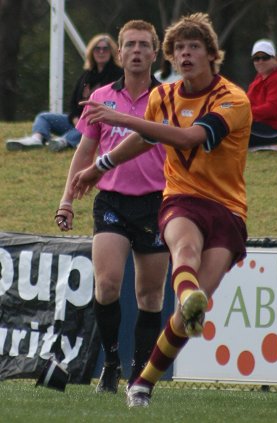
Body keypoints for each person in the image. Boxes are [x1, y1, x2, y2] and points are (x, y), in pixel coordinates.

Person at [70, 12, 252, 408]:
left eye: (194, 47)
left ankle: (144, 381)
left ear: (211, 55)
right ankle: (118, 365)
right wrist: (97, 168)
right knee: (174, 254)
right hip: (177, 200)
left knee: (180, 302)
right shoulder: (162, 97)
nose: (186, 54)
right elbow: (140, 140)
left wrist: (121, 118)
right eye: (180, 48)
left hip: (226, 210)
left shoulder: (233, 99)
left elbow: (189, 138)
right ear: (171, 56)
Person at [54, 20, 169, 394]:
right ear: (119, 54)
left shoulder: (168, 98)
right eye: (129, 45)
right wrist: (67, 198)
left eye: (143, 45)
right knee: (106, 285)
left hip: (155, 203)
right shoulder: (101, 97)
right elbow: (84, 153)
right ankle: (112, 363)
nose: (136, 51)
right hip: (111, 202)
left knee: (150, 296)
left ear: (154, 53)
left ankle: (140, 371)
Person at [6, 34, 123, 152]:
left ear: (112, 52)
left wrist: (85, 121)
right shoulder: (87, 75)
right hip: (77, 121)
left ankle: (63, 142)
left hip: (98, 123)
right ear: (91, 52)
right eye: (97, 48)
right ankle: (37, 139)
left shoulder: (118, 75)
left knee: (87, 127)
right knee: (44, 117)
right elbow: (73, 103)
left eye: (105, 49)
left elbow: (116, 104)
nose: (101, 52)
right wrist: (75, 118)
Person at [247, 39, 277, 148]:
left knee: (233, 134)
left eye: (265, 57)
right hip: (262, 126)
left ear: (275, 59)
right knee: (228, 128)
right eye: (256, 58)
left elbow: (271, 109)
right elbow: (247, 102)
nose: (260, 61)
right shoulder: (260, 78)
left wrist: (243, 113)